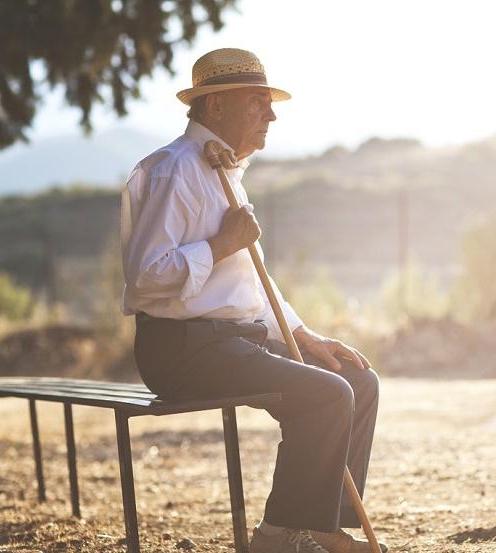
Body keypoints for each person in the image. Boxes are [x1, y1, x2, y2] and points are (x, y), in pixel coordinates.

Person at [120, 48, 385, 553]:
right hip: (181, 350)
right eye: (258, 102)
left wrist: (303, 335)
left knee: (356, 379)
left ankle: (321, 525)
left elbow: (248, 283)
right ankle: (278, 536)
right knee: (327, 395)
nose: (271, 116)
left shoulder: (223, 170)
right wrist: (221, 244)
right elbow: (145, 278)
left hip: (231, 341)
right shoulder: (174, 170)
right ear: (216, 105)